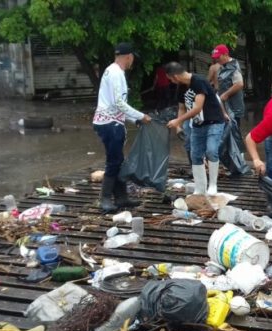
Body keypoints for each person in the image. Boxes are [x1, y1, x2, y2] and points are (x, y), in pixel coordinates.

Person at [92, 42, 151, 213]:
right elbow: (119, 103)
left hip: (109, 121)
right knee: (114, 161)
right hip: (109, 124)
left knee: (118, 160)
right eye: (132, 58)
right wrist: (141, 116)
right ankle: (104, 199)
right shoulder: (117, 73)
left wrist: (134, 120)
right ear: (129, 57)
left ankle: (121, 198)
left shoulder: (111, 70)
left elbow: (116, 105)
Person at [165, 62, 229, 196]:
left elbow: (197, 108)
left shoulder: (199, 81)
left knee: (211, 150)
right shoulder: (181, 87)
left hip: (214, 121)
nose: (171, 81)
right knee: (195, 155)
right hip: (198, 124)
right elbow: (182, 107)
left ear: (175, 76)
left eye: (170, 79)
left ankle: (213, 184)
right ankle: (200, 187)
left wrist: (178, 120)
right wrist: (178, 126)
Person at [212, 44, 245, 129]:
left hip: (233, 107)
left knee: (233, 133)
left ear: (226, 55)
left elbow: (239, 84)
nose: (217, 59)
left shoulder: (233, 66)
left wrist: (226, 94)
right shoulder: (224, 65)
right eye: (216, 57)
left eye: (218, 57)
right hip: (225, 106)